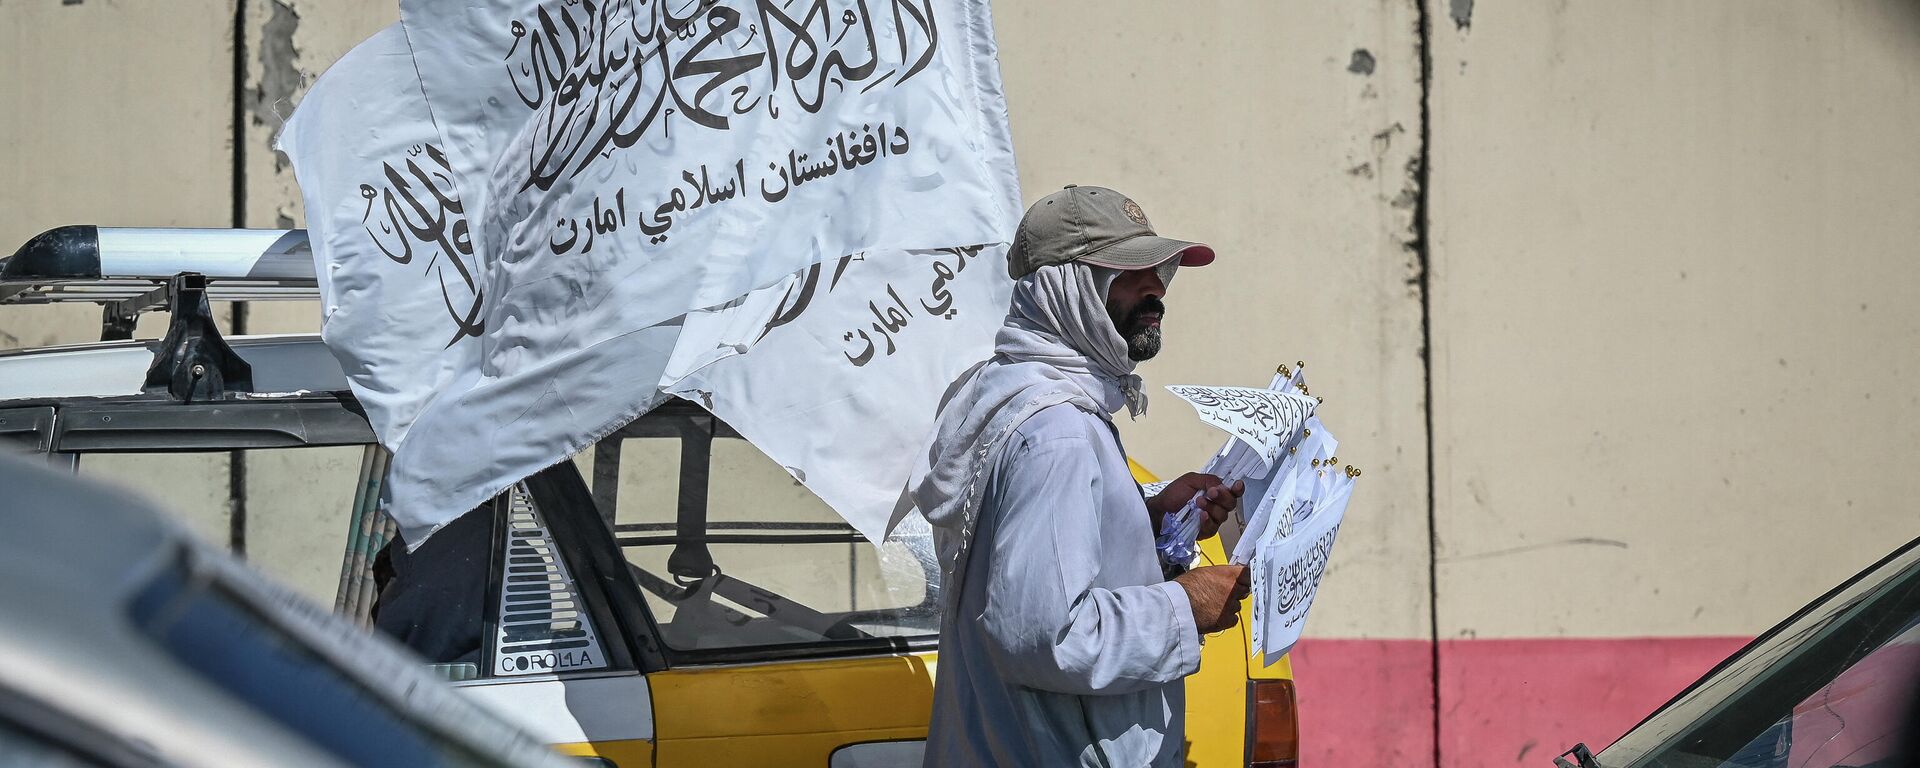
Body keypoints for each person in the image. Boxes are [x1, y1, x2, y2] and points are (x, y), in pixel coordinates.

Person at [911, 185, 1250, 766]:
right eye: (1130, 271)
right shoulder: (1056, 433)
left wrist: (1149, 522)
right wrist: (1186, 604)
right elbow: (1046, 639)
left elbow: (1044, 565)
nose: (1156, 290)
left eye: (1160, 271)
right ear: (1066, 288)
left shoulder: (1031, 402)